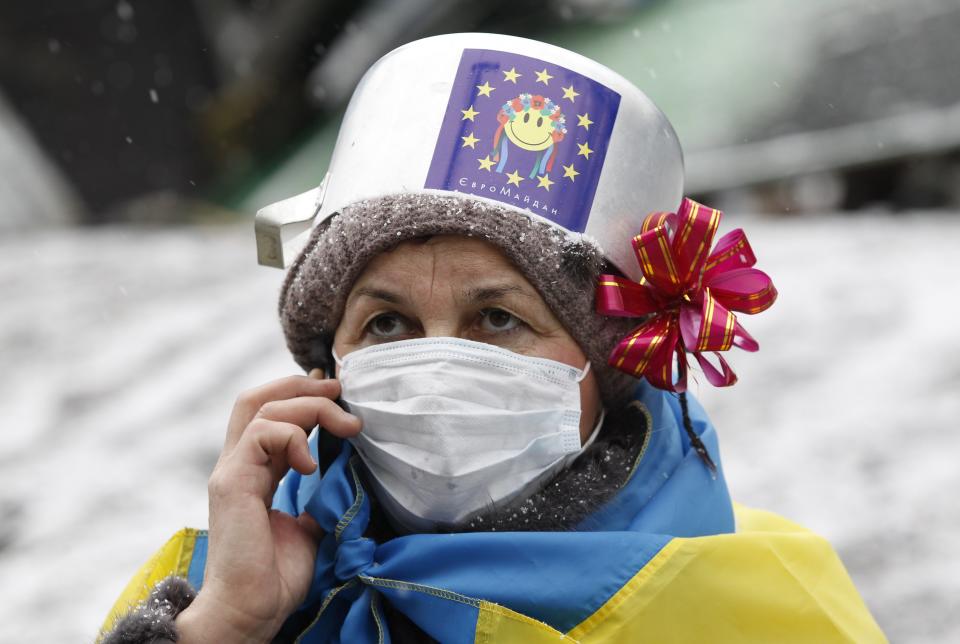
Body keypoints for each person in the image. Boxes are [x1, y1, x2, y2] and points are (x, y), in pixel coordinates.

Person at [100, 33, 886, 643]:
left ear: (603, 367)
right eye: (388, 323)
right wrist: (227, 626)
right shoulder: (206, 592)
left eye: (498, 318)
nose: (441, 360)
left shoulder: (758, 607)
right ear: (325, 367)